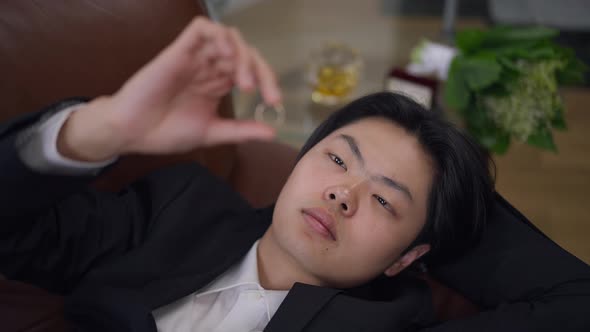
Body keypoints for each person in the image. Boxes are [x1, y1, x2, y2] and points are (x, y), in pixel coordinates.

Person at [1, 17, 589, 332]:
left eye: (384, 202)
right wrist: (98, 130)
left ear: (408, 259)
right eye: (337, 159)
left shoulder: (388, 321)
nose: (342, 193)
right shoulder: (180, 206)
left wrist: (448, 209)